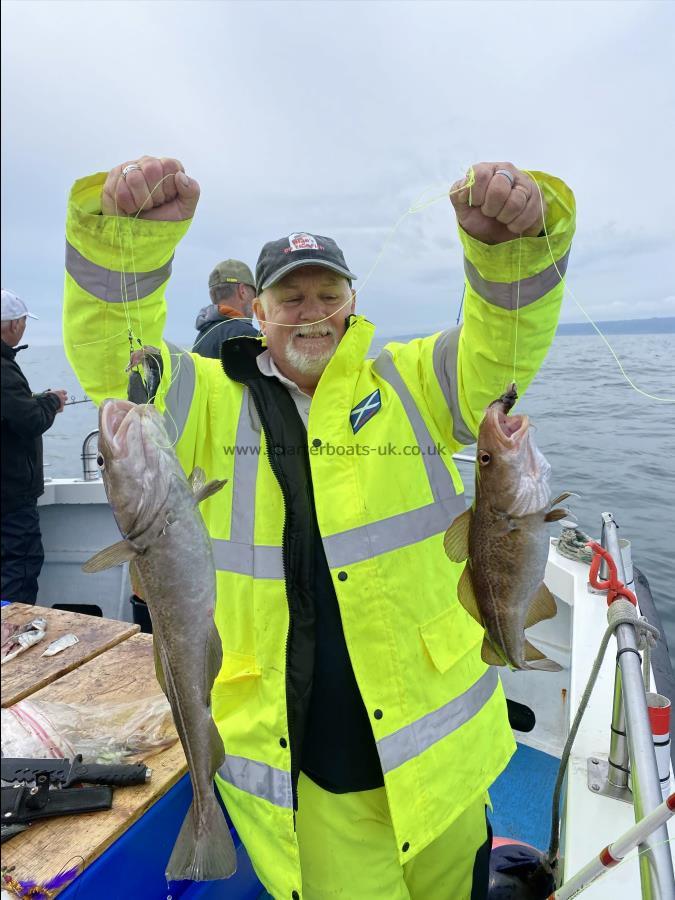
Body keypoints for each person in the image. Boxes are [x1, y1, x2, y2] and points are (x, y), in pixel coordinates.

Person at [63, 156, 575, 899]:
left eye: (327, 293)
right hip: (304, 765)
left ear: (352, 301)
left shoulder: (412, 377)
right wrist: (122, 250)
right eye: (290, 296)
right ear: (256, 312)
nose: (311, 310)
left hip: (440, 762)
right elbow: (119, 365)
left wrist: (513, 251)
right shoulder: (204, 399)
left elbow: (501, 349)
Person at [1, 289, 67, 605]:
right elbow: (28, 421)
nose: (24, 327)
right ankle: (10, 637)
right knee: (18, 565)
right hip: (11, 496)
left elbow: (12, 410)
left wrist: (38, 401)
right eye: (23, 321)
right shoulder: (3, 368)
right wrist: (52, 402)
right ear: (11, 325)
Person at [192, 259, 258, 358]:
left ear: (211, 294)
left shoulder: (201, 338)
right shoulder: (248, 336)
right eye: (254, 294)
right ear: (242, 291)